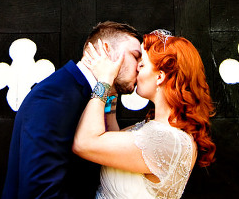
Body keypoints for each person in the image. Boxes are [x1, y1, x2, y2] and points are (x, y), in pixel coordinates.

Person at [1, 21, 144, 199]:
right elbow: (41, 192)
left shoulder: (95, 97)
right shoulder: (54, 96)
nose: (140, 66)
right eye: (135, 56)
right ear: (106, 51)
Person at [72, 29, 216, 199]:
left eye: (142, 64)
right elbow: (112, 142)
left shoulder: (166, 140)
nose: (136, 69)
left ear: (160, 77)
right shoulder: (160, 129)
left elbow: (84, 143)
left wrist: (104, 81)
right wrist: (111, 94)